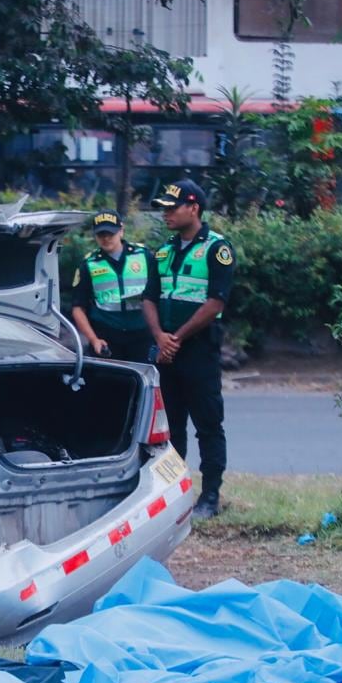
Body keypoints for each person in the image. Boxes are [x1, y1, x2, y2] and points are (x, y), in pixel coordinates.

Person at [142, 179, 234, 519]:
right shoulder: (162, 251)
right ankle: (174, 495)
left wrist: (175, 338)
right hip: (166, 352)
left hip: (198, 352)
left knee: (208, 425)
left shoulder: (216, 249)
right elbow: (148, 298)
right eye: (164, 207)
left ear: (193, 208)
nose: (165, 213)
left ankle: (210, 496)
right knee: (170, 429)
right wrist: (159, 337)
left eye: (172, 207)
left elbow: (215, 303)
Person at [70, 209, 158, 363]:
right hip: (107, 337)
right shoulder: (89, 264)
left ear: (121, 231)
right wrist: (94, 339)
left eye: (110, 233)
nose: (106, 238)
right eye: (101, 234)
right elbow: (78, 308)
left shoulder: (144, 256)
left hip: (142, 335)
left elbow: (159, 293)